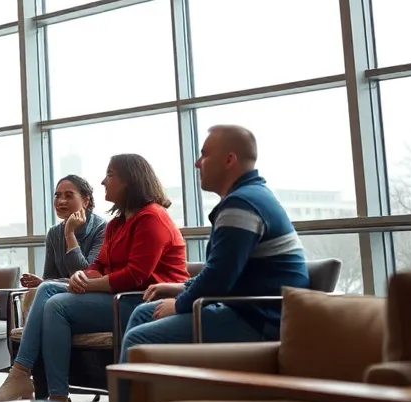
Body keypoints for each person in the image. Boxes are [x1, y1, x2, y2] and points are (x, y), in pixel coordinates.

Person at [0, 155, 187, 402]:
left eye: (111, 175)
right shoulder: (117, 224)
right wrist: (83, 276)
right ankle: (31, 380)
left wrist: (88, 283)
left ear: (131, 180)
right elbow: (98, 265)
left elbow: (135, 275)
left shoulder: (152, 218)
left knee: (57, 305)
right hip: (117, 296)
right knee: (49, 290)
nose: (104, 181)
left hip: (144, 299)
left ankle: (50, 390)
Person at [118, 125, 310, 361]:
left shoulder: (242, 204)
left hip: (259, 320)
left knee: (139, 339)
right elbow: (225, 272)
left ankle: (129, 398)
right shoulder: (250, 196)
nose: (198, 163)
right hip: (248, 308)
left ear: (229, 160)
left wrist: (179, 304)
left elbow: (219, 278)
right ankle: (146, 396)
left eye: (205, 154)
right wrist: (182, 288)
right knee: (142, 313)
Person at [17, 174, 108, 319]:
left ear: (85, 201)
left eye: (69, 196)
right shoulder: (54, 232)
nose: (61, 201)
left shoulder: (102, 228)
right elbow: (50, 276)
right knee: (31, 294)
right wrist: (43, 282)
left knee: (42, 297)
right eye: (57, 196)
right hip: (62, 290)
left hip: (91, 292)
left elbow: (85, 275)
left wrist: (69, 234)